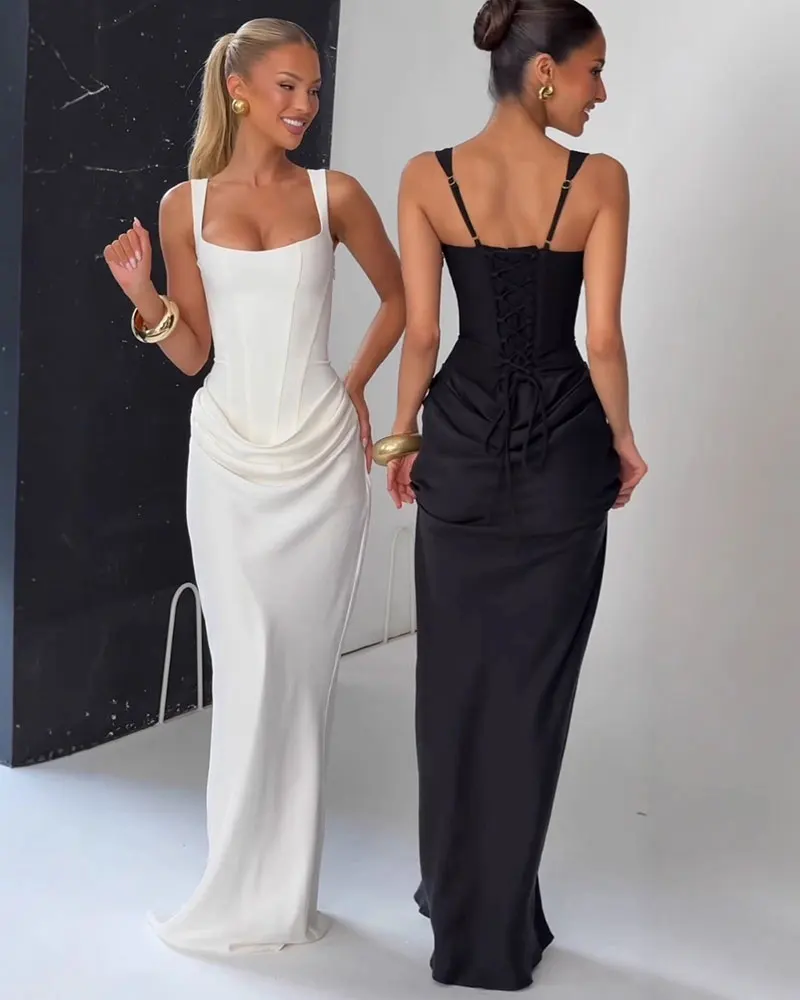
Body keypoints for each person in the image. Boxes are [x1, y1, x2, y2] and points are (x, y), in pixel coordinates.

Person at [103, 18, 404, 955]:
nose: (305, 105)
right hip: (228, 461)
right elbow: (195, 353)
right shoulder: (183, 206)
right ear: (238, 89)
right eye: (287, 86)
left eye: (313, 89)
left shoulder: (334, 193)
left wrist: (355, 387)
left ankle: (285, 897)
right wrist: (144, 299)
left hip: (321, 462)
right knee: (243, 676)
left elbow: (401, 298)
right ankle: (232, 889)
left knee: (303, 682)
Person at [378, 0, 647, 991]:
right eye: (592, 70)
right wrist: (622, 440)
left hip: (457, 443)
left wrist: (404, 436)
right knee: (531, 700)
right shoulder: (599, 181)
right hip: (563, 458)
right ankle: (497, 920)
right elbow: (602, 339)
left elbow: (420, 334)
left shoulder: (425, 176)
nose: (600, 92)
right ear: (543, 74)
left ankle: (458, 906)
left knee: (452, 689)